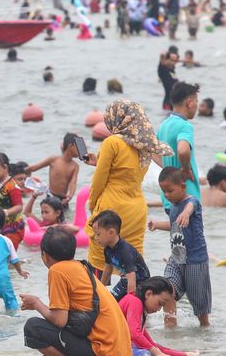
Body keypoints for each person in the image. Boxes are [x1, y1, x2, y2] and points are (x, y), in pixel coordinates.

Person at [20, 228, 131, 356]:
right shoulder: (81, 267)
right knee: (41, 326)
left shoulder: (57, 270)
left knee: (32, 327)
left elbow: (59, 320)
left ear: (45, 255)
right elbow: (72, 320)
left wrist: (36, 303)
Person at [85, 100, 172, 274]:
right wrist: (99, 161)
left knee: (100, 263)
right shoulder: (144, 145)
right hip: (137, 209)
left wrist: (92, 204)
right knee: (132, 263)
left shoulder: (112, 142)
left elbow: (99, 180)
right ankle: (132, 300)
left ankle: (102, 300)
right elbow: (126, 172)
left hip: (111, 207)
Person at [148, 167, 211, 328]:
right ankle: (171, 330)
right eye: (164, 192)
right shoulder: (173, 206)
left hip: (194, 260)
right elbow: (174, 225)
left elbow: (189, 208)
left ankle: (205, 329)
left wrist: (186, 213)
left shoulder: (192, 202)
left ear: (182, 186)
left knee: (199, 304)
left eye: (170, 190)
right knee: (167, 289)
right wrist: (157, 224)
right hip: (176, 258)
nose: (167, 195)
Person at [119, 277, 197, 356]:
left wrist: (157, 351)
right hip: (114, 351)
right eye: (160, 303)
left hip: (121, 347)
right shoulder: (134, 301)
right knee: (144, 352)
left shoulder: (139, 303)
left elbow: (142, 334)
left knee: (155, 346)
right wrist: (158, 354)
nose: (159, 309)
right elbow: (134, 334)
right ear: (148, 294)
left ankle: (185, 354)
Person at [156, 82, 201, 211]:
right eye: (196, 102)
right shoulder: (184, 125)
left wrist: (167, 167)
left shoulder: (164, 125)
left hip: (168, 197)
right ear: (189, 103)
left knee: (176, 231)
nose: (196, 106)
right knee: (191, 231)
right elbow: (183, 150)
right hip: (185, 197)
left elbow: (150, 150)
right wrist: (186, 170)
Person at [92, 210, 150, 302]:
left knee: (123, 304)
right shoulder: (108, 249)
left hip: (141, 284)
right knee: (110, 301)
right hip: (125, 281)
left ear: (111, 233)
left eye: (98, 234)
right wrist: (100, 289)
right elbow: (108, 269)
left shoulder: (125, 251)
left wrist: (129, 300)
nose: (95, 237)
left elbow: (132, 276)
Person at [26, 133, 80, 208]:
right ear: (70, 146)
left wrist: (70, 196)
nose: (80, 150)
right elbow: (35, 168)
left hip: (64, 200)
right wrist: (21, 170)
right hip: (51, 197)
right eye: (78, 147)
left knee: (66, 218)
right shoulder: (53, 160)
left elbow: (73, 183)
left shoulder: (75, 166)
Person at [0, 152, 25, 249]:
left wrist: (6, 212)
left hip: (13, 228)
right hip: (0, 226)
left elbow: (19, 206)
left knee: (8, 254)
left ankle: (14, 264)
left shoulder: (12, 186)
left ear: (5, 167)